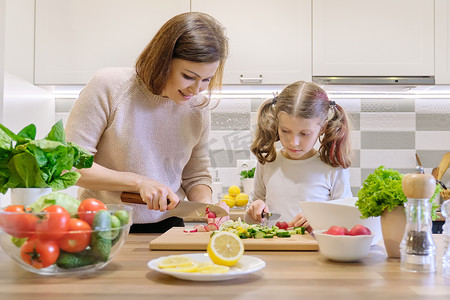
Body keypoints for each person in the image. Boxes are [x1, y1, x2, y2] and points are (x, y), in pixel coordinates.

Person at [65, 12, 229, 233]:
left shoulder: (198, 108)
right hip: (101, 224)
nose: (196, 89)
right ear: (162, 60)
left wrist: (208, 208)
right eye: (189, 76)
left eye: (207, 79)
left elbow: (196, 174)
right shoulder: (109, 87)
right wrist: (137, 182)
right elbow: (69, 167)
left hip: (170, 227)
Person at [245, 81, 353, 232]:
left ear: (322, 128)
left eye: (304, 133)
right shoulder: (268, 161)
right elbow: (250, 221)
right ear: (277, 125)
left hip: (317, 253)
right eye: (285, 130)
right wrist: (254, 209)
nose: (293, 142)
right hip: (273, 251)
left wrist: (318, 220)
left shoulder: (333, 166)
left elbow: (347, 222)